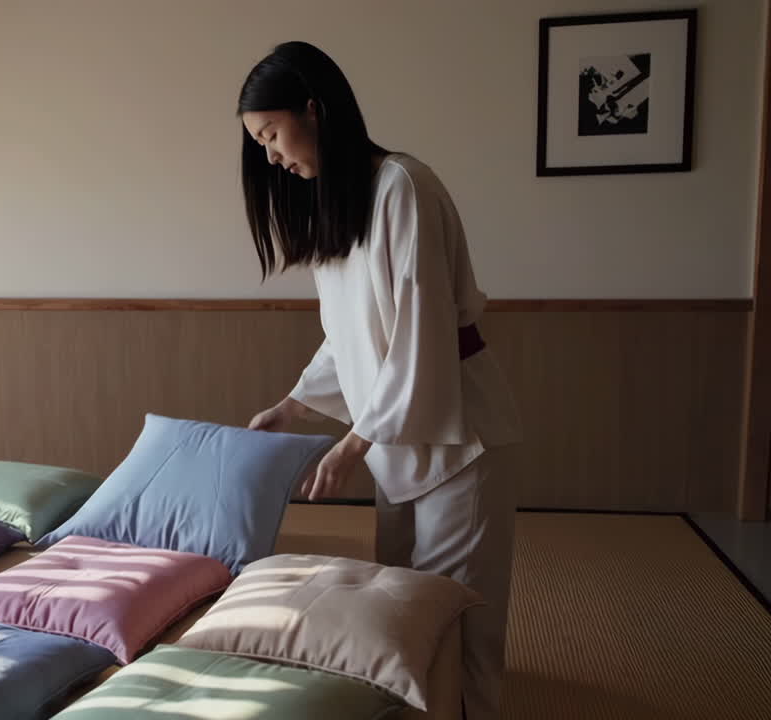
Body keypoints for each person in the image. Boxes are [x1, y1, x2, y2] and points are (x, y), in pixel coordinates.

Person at [240, 41, 523, 720]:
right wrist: (293, 405)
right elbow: (352, 337)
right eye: (260, 143)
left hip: (461, 434)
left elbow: (420, 333)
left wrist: (353, 443)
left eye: (272, 134)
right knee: (404, 607)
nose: (273, 156)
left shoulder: (403, 186)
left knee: (460, 613)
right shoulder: (337, 203)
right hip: (396, 434)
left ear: (315, 109)